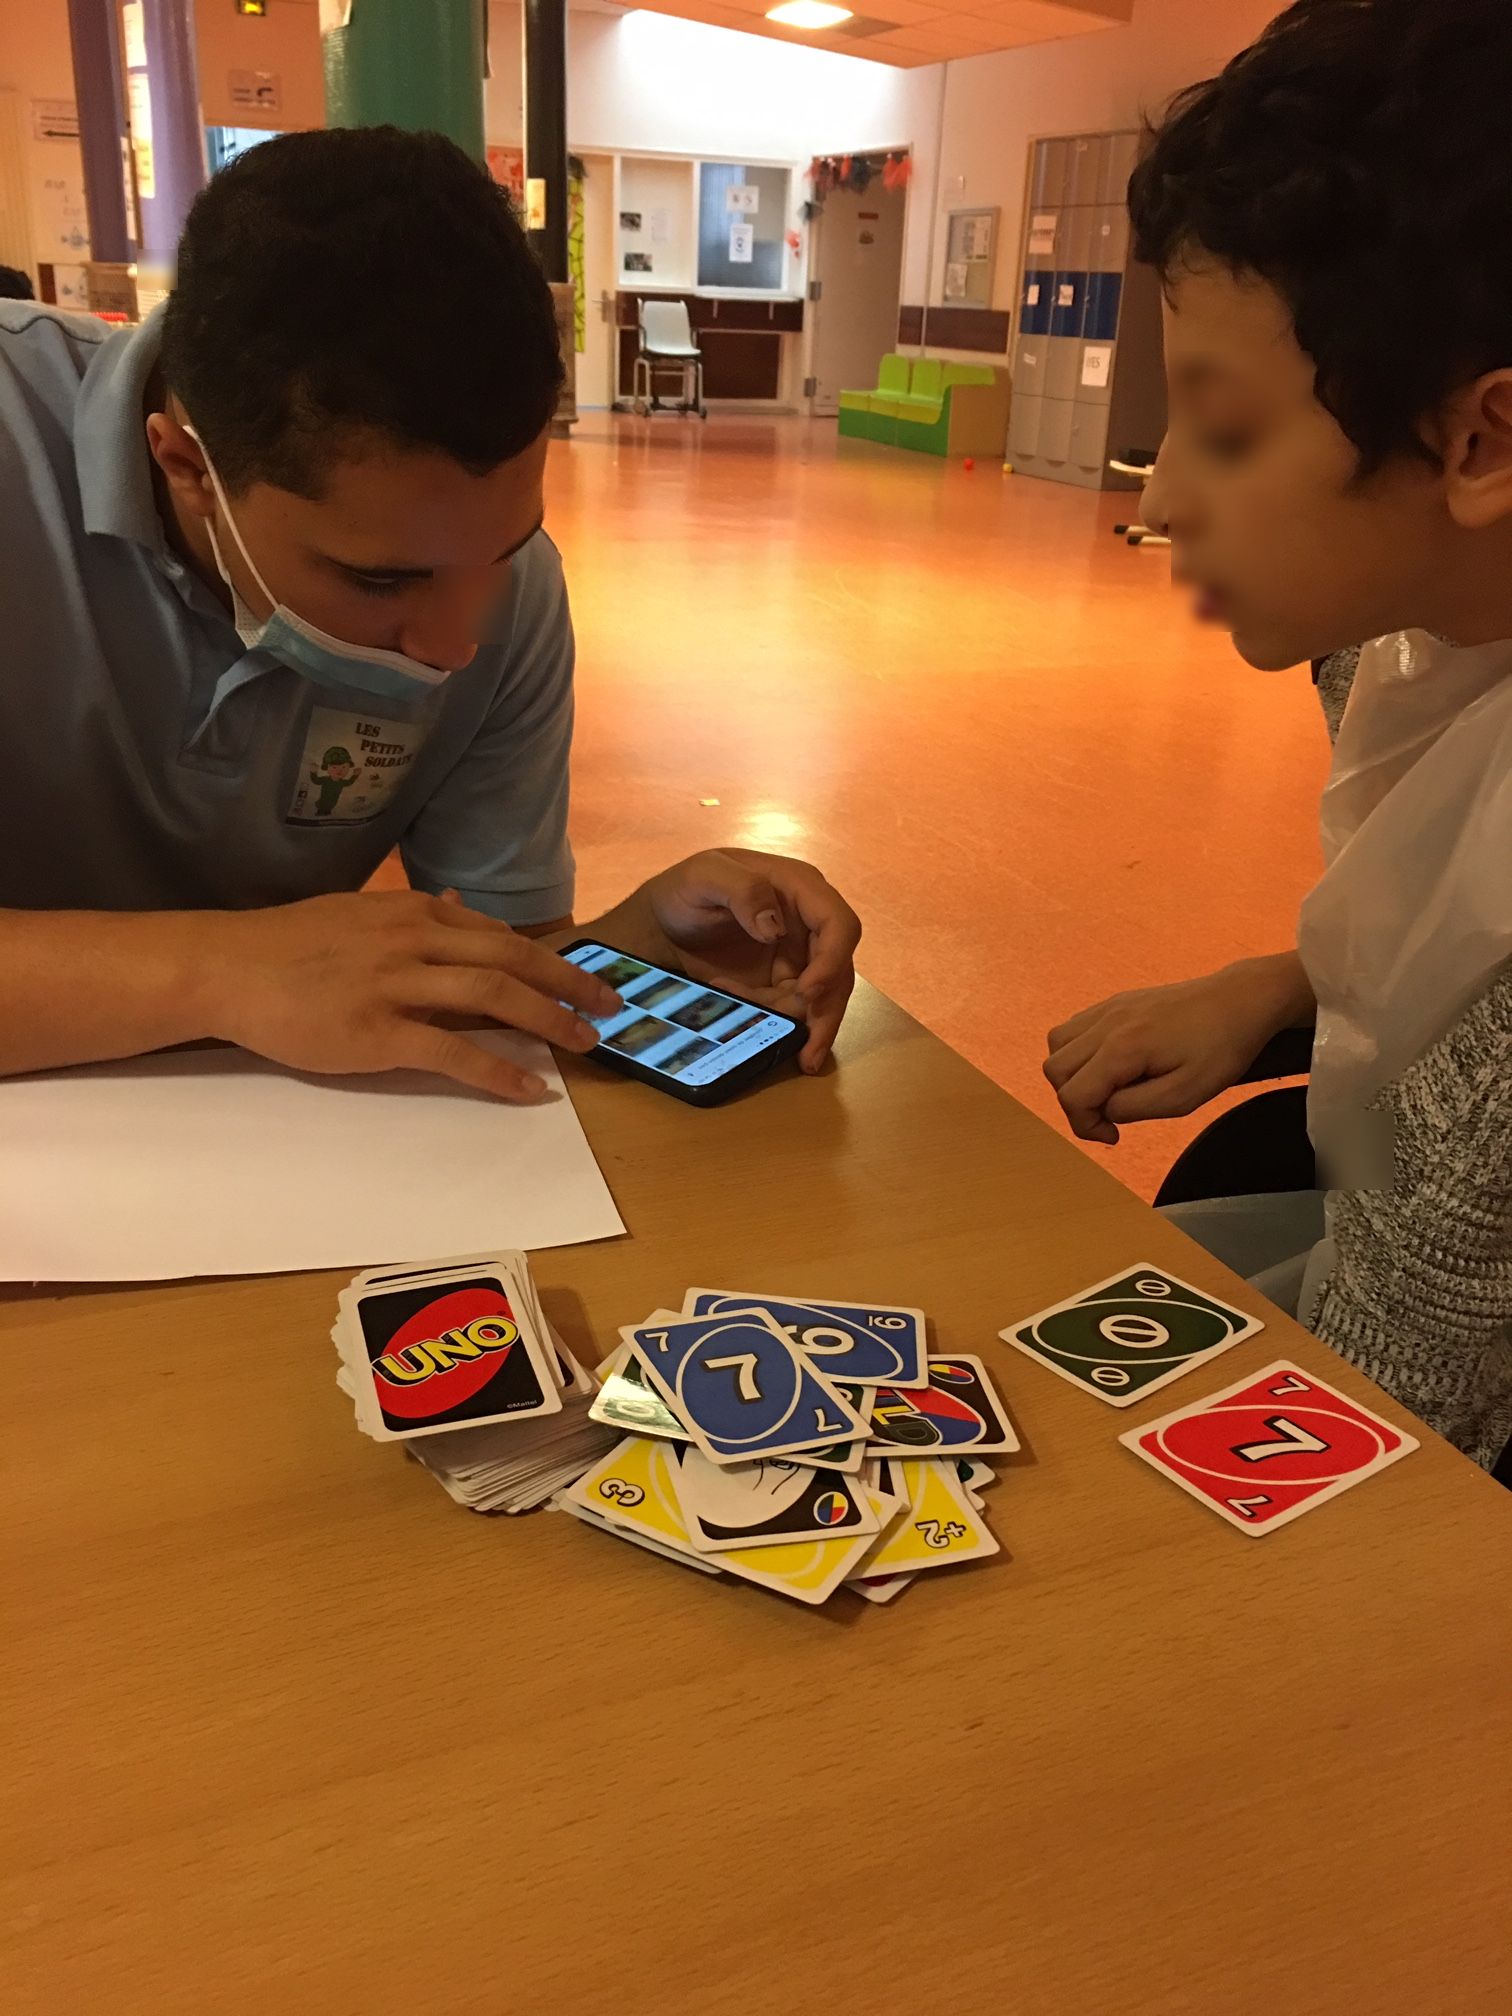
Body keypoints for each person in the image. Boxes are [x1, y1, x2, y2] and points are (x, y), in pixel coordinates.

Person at [0, 128, 859, 1104]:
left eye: (506, 549)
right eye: (382, 581)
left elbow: (493, 960)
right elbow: (277, 973)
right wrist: (221, 971)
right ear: (187, 466)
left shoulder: (511, 596)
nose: (456, 645)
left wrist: (638, 944)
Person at [1043, 0, 1512, 1471]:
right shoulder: (1384, 636)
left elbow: (1395, 1437)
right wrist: (1284, 981)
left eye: (1228, 431)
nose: (1161, 499)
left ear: (1480, 444)